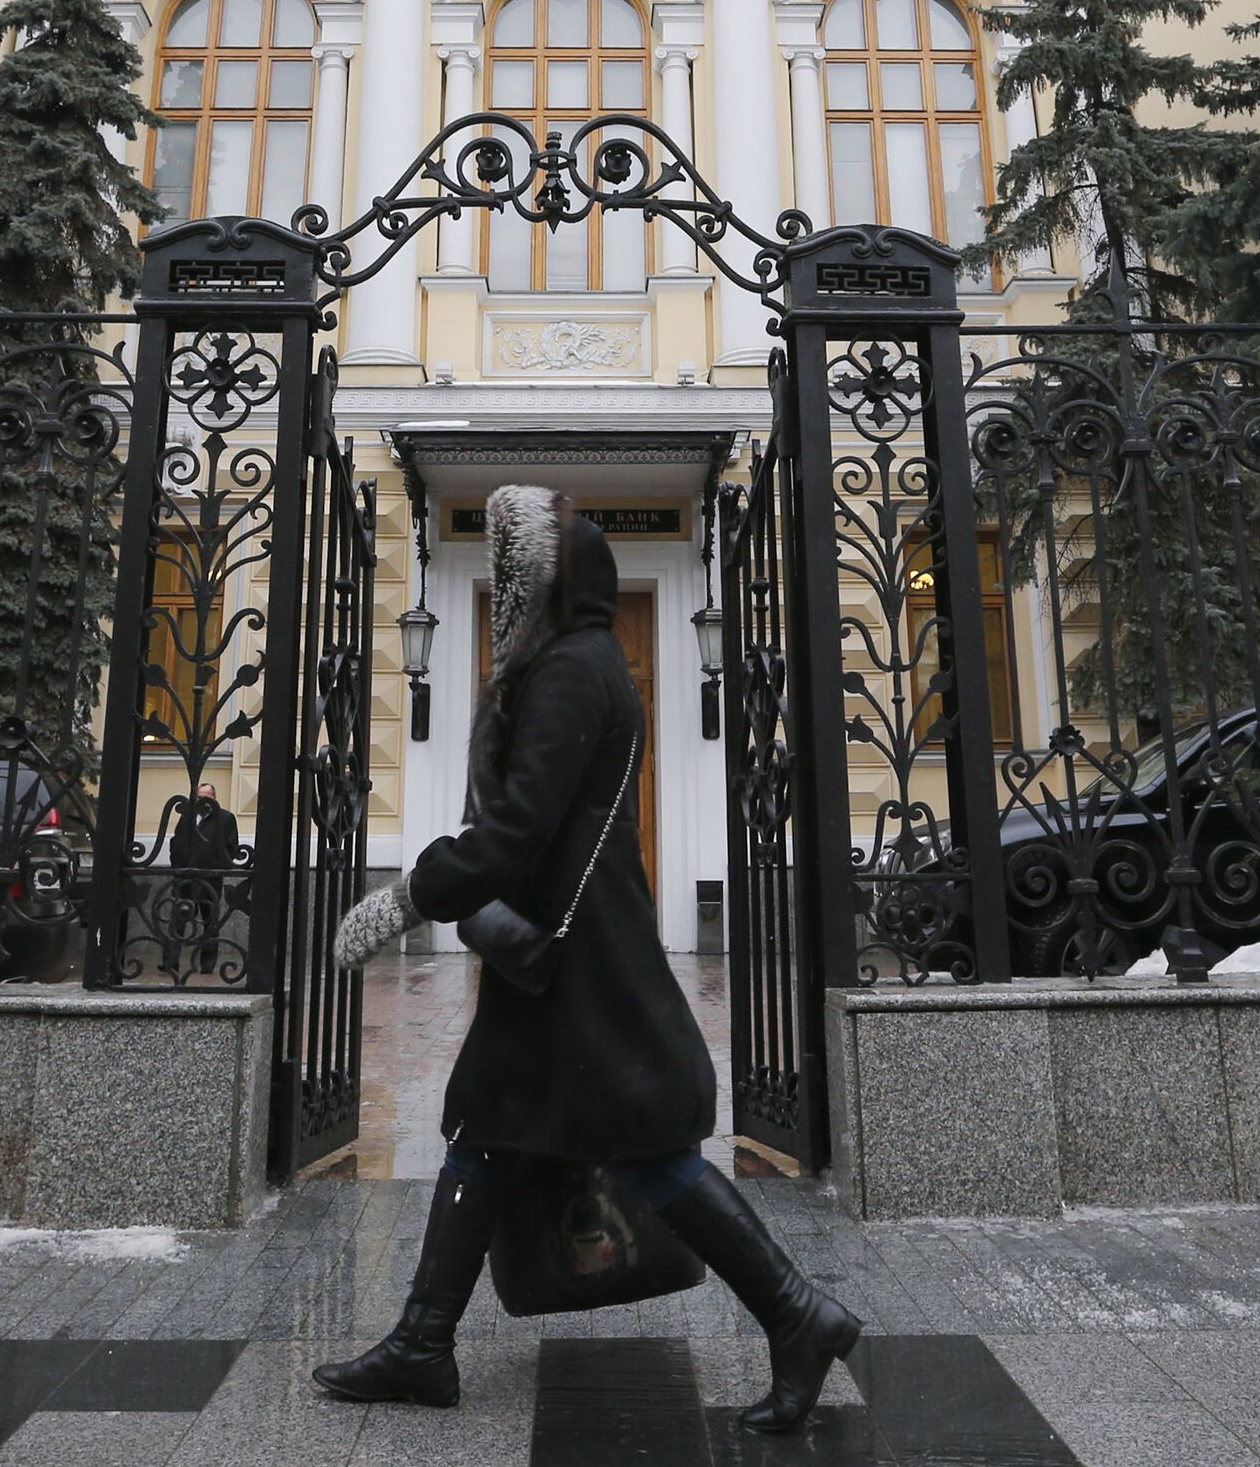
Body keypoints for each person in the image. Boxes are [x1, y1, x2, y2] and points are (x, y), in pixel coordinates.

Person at [317, 485, 860, 1434]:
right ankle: (423, 1342)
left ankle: (796, 1313)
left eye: (513, 574)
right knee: (487, 1128)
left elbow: (516, 831)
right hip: (557, 963)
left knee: (645, 1150)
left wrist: (407, 897)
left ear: (545, 583)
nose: (503, 591)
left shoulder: (572, 670)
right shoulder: (580, 661)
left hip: (577, 966)